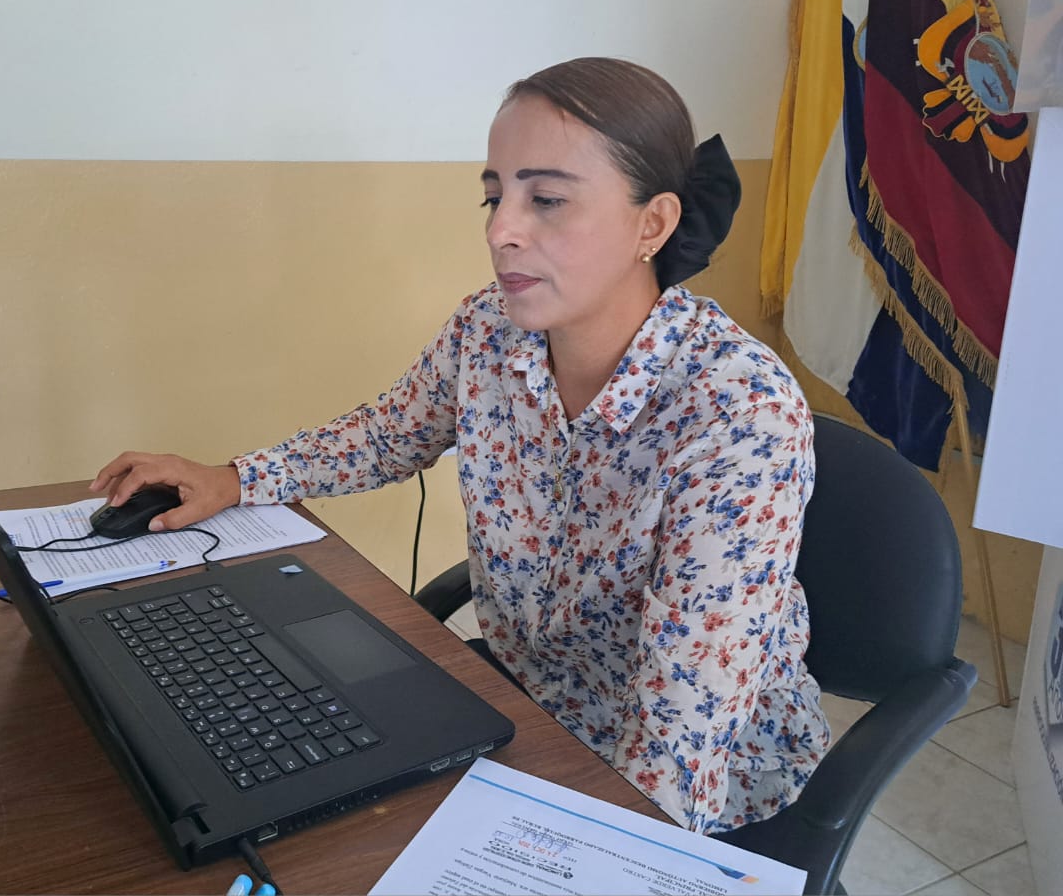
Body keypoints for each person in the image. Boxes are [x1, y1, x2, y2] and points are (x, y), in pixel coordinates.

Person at [91, 57, 830, 834]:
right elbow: (386, 436)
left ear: (653, 223)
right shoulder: (490, 331)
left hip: (688, 776)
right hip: (524, 707)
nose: (500, 231)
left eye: (546, 199)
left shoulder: (739, 409)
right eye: (494, 195)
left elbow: (683, 729)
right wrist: (236, 478)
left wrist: (604, 853)